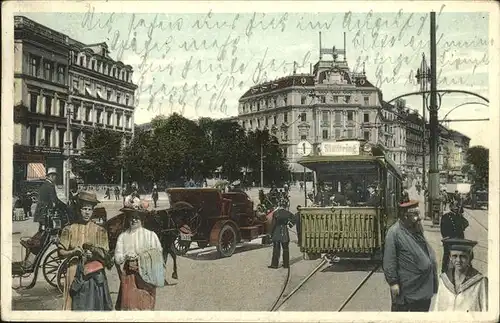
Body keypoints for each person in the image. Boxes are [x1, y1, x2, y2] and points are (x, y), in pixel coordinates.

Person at [58, 191, 113, 311]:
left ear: (93, 211)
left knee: (93, 306)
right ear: (79, 210)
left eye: (90, 209)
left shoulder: (100, 231)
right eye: (84, 208)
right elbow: (60, 252)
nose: (87, 212)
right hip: (74, 272)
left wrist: (94, 254)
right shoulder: (69, 229)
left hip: (94, 273)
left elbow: (107, 256)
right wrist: (72, 252)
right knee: (74, 306)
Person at [383, 200, 438, 312]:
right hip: (406, 289)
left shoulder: (416, 229)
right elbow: (389, 261)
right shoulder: (394, 232)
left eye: (419, 214)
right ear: (405, 216)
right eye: (415, 215)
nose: (419, 218)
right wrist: (393, 282)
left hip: (422, 288)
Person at [114, 202, 164, 310]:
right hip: (129, 276)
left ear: (142, 219)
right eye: (131, 217)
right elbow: (117, 258)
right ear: (128, 219)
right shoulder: (123, 236)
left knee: (145, 305)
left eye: (137, 217)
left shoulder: (151, 235)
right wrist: (125, 257)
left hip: (147, 277)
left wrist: (142, 258)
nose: (134, 220)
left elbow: (158, 254)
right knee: (130, 307)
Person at [433, 238, 488, 311]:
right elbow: (437, 308)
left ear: (470, 258)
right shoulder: (443, 280)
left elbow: (485, 309)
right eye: (454, 256)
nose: (458, 260)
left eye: (463, 256)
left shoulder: (480, 281)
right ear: (450, 258)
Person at [440, 201, 469, 273]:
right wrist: (446, 237)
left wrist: (461, 215)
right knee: (447, 256)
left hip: (459, 240)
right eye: (454, 207)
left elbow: (466, 223)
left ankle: (459, 271)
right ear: (450, 207)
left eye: (457, 207)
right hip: (449, 240)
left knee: (460, 256)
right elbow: (443, 228)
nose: (456, 208)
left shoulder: (459, 216)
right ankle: (443, 271)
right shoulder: (446, 216)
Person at [33, 167, 65, 232]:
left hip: (41, 211)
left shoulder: (44, 185)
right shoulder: (50, 186)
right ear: (51, 176)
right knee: (48, 229)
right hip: (46, 211)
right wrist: (64, 206)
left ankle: (38, 241)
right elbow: (54, 199)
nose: (55, 178)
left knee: (42, 229)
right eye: (55, 176)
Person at [268, 200, 296, 269]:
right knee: (285, 249)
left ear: (279, 205)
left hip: (277, 232)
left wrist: (271, 234)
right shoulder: (288, 213)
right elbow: (294, 218)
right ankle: (286, 264)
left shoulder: (276, 213)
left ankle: (274, 265)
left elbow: (273, 224)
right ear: (285, 206)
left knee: (276, 250)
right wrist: (290, 224)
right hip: (284, 231)